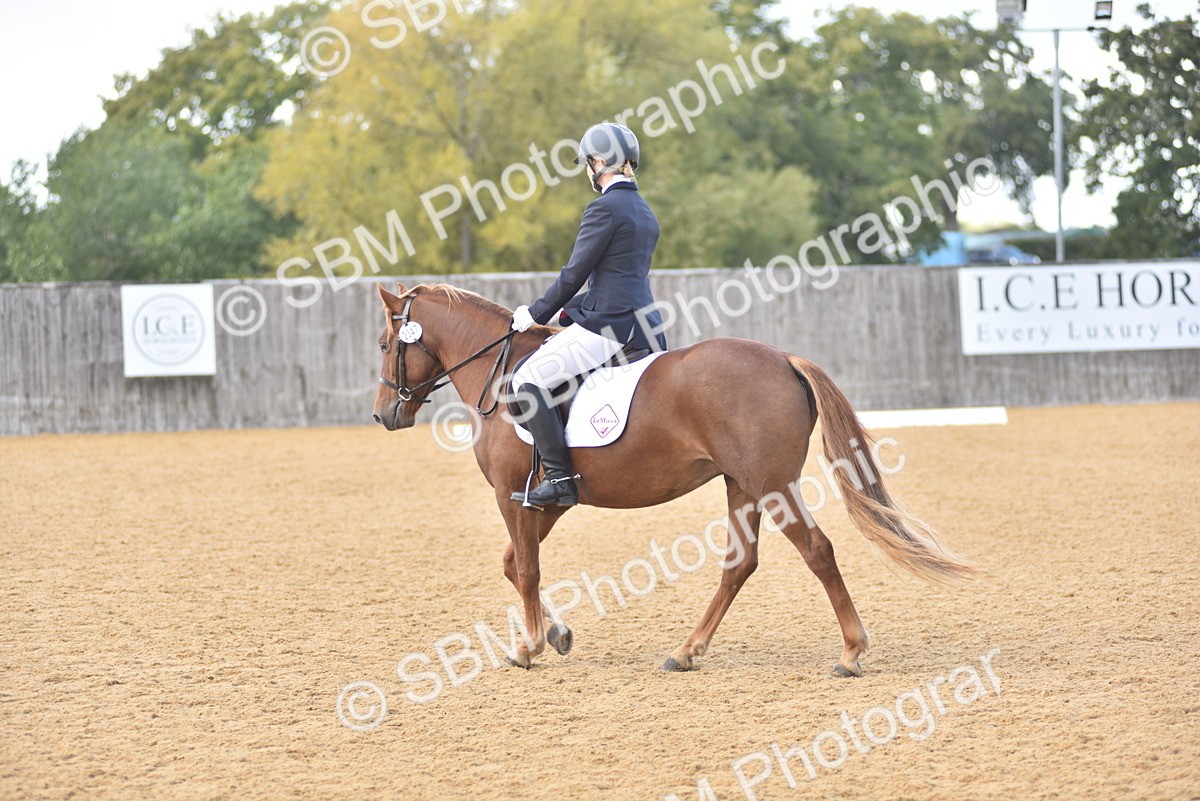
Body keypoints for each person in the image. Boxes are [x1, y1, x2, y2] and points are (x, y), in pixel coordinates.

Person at [508, 122, 666, 509]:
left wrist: (535, 312)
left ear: (598, 162)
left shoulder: (604, 208)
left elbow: (574, 272)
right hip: (645, 324)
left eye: (587, 163)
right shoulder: (644, 211)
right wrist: (568, 313)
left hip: (612, 327)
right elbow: (617, 279)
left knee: (527, 378)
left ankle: (560, 478)